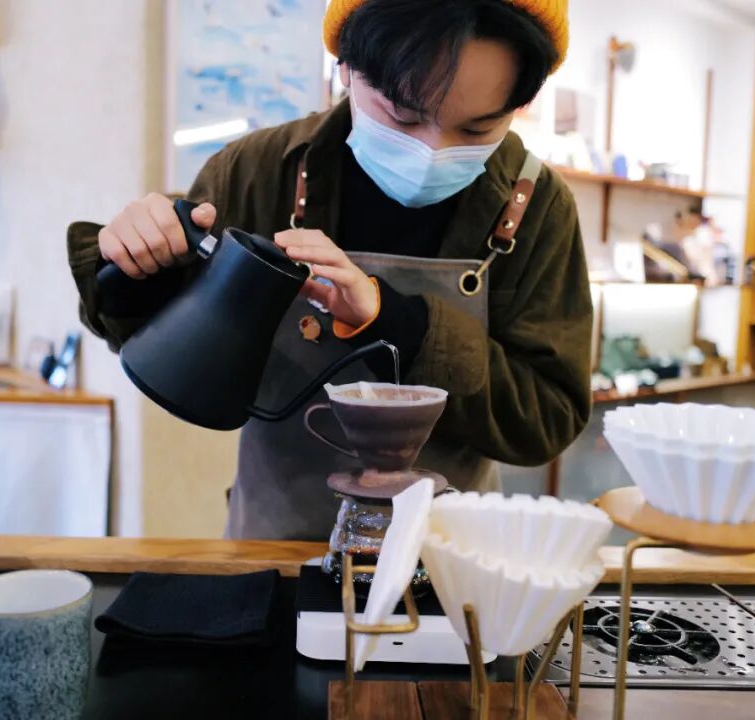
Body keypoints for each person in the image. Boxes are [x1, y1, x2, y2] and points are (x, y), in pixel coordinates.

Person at [68, 0, 592, 540]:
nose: (432, 151)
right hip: (271, 547)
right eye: (403, 115)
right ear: (345, 65)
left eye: (478, 129)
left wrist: (399, 324)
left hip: (444, 554)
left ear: (520, 103)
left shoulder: (537, 207)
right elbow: (156, 344)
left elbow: (547, 419)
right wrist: (135, 268)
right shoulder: (259, 170)